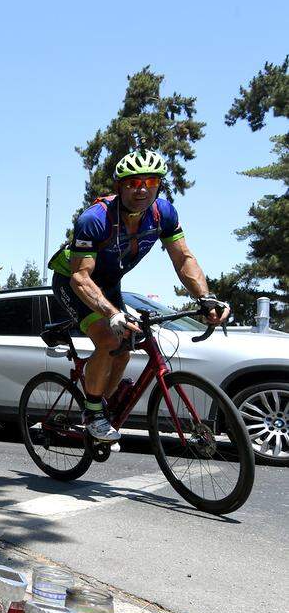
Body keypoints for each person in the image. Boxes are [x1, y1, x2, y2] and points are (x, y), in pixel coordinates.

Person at [48, 149, 229, 442]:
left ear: (158, 185)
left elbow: (183, 258)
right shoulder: (94, 219)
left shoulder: (163, 213)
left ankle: (101, 410)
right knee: (108, 339)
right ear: (119, 187)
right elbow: (81, 277)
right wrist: (114, 314)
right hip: (75, 280)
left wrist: (205, 297)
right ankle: (92, 413)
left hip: (109, 283)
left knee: (125, 346)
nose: (142, 188)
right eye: (133, 182)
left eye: (150, 181)